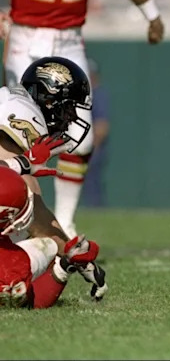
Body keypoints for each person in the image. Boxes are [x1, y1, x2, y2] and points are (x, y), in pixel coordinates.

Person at [0, 0, 165, 239]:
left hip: (71, 39)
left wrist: (152, 15)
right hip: (26, 36)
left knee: (82, 135)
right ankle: (21, 218)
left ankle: (66, 221)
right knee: (22, 130)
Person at [0, 56, 107, 302]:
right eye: (67, 108)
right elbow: (34, 208)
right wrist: (22, 163)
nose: (69, 118)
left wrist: (72, 253)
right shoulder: (20, 115)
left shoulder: (11, 102)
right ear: (48, 100)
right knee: (14, 190)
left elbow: (40, 215)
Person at [0, 167, 106, 308]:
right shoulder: (11, 264)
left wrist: (22, 162)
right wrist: (65, 265)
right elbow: (34, 301)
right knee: (48, 246)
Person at [80, 59, 109, 208]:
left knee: (92, 185)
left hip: (92, 147)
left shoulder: (98, 95)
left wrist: (93, 146)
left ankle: (95, 209)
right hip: (81, 146)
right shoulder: (83, 95)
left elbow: (101, 125)